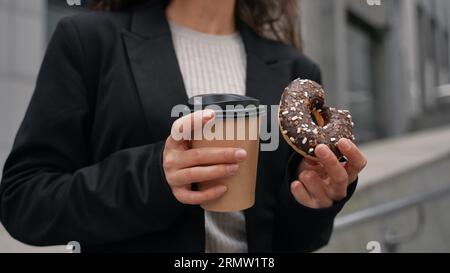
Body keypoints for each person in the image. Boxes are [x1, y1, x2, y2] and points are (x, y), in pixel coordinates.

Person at [0, 0, 367, 253]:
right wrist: (154, 176)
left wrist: (314, 204)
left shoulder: (293, 69)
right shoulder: (89, 42)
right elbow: (24, 201)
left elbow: (288, 238)